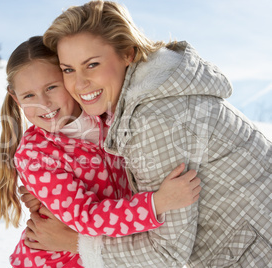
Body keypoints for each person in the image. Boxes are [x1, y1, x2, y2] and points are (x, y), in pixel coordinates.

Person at [21, 1, 272, 267]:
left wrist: (73, 243)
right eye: (68, 69)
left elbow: (166, 254)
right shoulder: (144, 95)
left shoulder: (154, 120)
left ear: (127, 53)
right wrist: (52, 190)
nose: (79, 83)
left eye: (92, 64)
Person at [0, 36, 202, 268]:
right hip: (58, 261)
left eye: (51, 87)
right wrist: (157, 203)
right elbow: (86, 217)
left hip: (107, 254)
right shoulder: (36, 154)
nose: (44, 103)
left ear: (69, 79)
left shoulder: (106, 116)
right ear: (15, 98)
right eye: (29, 96)